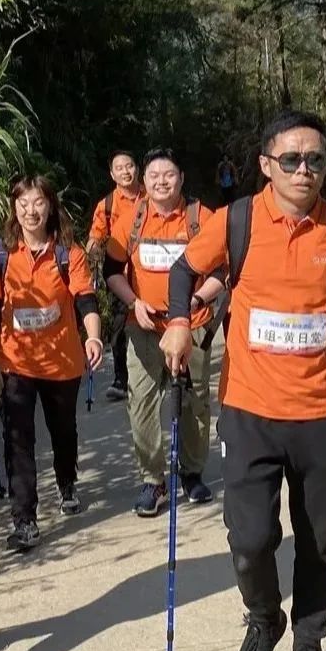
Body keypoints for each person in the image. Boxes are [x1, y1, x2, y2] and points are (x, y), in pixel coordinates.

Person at [160, 112, 326, 651]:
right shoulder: (237, 220)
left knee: (319, 544)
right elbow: (185, 269)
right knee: (250, 539)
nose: (303, 170)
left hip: (320, 414)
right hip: (249, 410)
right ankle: (264, 619)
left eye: (315, 159)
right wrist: (181, 322)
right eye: (290, 159)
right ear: (267, 165)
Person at [0, 176, 102, 552]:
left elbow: (85, 299)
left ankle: (67, 481)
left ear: (50, 206)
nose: (30, 211)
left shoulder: (68, 253)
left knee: (63, 430)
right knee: (17, 438)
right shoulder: (0, 253)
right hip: (14, 361)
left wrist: (93, 336)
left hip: (62, 361)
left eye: (38, 203)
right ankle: (24, 519)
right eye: (23, 203)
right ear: (13, 208)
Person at [104, 148, 224, 516]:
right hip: (144, 327)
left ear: (182, 178)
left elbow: (222, 271)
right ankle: (152, 480)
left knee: (195, 399)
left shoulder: (202, 218)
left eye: (169, 174)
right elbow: (111, 271)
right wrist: (133, 302)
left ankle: (191, 472)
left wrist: (195, 301)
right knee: (141, 400)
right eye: (154, 176)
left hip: (193, 326)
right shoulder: (131, 220)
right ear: (144, 181)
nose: (161, 182)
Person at [86, 150, 145, 401]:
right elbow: (95, 237)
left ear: (137, 168)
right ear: (112, 174)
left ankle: (173, 372)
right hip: (120, 275)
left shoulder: (151, 196)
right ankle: (121, 378)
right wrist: (90, 255)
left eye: (129, 166)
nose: (125, 172)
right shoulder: (107, 205)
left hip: (151, 272)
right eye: (119, 168)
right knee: (120, 326)